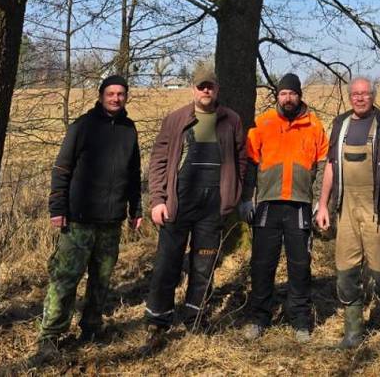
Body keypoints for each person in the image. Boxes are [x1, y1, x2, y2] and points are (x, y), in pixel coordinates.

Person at [32, 74, 141, 365]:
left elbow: (134, 174)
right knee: (65, 279)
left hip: (111, 221)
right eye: (111, 93)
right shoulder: (82, 127)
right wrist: (57, 209)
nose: (116, 98)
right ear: (101, 95)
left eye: (121, 94)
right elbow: (62, 169)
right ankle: (50, 337)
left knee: (101, 281)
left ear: (126, 97)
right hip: (78, 220)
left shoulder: (130, 131)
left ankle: (92, 329)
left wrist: (136, 210)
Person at [144, 75, 246, 342]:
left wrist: (233, 194)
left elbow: (241, 159)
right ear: (193, 89)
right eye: (201, 86)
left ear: (217, 89)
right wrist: (157, 200)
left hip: (213, 206)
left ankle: (195, 317)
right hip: (178, 203)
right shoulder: (175, 119)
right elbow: (158, 161)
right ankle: (157, 319)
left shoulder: (231, 120)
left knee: (204, 264)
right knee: (168, 262)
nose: (205, 90)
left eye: (210, 86)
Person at [316, 77, 380, 350]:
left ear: (373, 96)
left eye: (365, 94)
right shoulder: (340, 124)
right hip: (346, 209)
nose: (359, 98)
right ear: (349, 96)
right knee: (345, 272)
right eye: (355, 94)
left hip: (377, 210)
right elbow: (331, 168)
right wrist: (323, 205)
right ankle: (353, 334)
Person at [240, 73, 329, 342]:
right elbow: (251, 165)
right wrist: (247, 198)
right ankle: (259, 318)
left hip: (300, 205)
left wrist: (319, 203)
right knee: (261, 264)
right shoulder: (263, 123)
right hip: (268, 203)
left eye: (292, 93)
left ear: (300, 95)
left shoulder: (314, 125)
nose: (287, 98)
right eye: (283, 94)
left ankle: (300, 320)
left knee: (300, 265)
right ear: (277, 96)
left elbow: (324, 166)